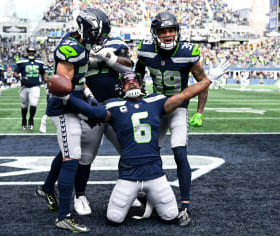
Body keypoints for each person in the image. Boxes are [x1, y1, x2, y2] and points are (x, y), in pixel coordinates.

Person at [64, 70, 229, 226]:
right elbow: (91, 111)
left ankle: (146, 197)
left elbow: (185, 95)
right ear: (121, 87)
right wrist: (67, 97)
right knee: (114, 218)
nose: (132, 84)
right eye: (127, 82)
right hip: (128, 176)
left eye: (135, 80)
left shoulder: (155, 102)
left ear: (142, 84)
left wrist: (208, 79)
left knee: (171, 215)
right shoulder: (113, 106)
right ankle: (139, 197)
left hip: (155, 175)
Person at [34, 8, 117, 233]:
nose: (100, 39)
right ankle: (64, 216)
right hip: (62, 109)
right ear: (87, 30)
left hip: (73, 105)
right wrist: (94, 112)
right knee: (72, 157)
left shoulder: (78, 44)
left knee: (66, 151)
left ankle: (48, 187)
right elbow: (62, 91)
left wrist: (91, 99)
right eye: (98, 34)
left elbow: (79, 82)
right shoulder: (71, 49)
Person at [134, 11, 219, 226]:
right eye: (163, 31)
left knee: (180, 152)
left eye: (171, 30)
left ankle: (185, 205)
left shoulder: (188, 52)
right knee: (148, 151)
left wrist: (200, 112)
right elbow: (137, 75)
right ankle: (151, 195)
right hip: (156, 107)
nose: (168, 35)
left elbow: (202, 82)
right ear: (155, 33)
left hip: (179, 107)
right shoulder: (145, 50)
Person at [72, 10, 135, 216]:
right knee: (86, 156)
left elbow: (129, 67)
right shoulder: (77, 43)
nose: (85, 31)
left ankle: (129, 192)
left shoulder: (116, 42)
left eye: (88, 27)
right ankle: (79, 196)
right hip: (91, 106)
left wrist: (108, 57)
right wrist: (87, 60)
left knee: (128, 152)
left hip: (117, 105)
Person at [13, 47, 47, 130]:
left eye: (32, 52)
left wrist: (47, 81)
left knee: (34, 104)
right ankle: (24, 120)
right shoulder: (22, 62)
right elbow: (15, 73)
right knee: (24, 105)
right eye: (29, 52)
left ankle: (31, 119)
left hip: (35, 86)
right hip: (24, 87)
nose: (31, 53)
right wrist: (20, 77)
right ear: (27, 52)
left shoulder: (39, 63)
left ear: (34, 52)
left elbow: (43, 74)